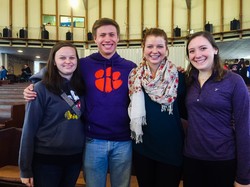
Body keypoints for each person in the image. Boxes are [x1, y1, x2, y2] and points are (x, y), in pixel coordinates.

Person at [23, 18, 137, 187]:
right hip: (93, 140)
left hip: (123, 140)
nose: (107, 39)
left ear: (118, 38)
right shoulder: (84, 64)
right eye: (102, 35)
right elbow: (57, 66)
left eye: (112, 34)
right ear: (95, 39)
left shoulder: (130, 67)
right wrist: (33, 82)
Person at [183, 31, 250, 187]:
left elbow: (244, 128)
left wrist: (244, 176)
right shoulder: (187, 81)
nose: (197, 54)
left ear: (215, 49)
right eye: (192, 51)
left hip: (223, 160)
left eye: (203, 48)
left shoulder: (234, 81)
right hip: (192, 159)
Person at [19, 42, 85, 187]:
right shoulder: (40, 89)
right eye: (62, 58)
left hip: (74, 159)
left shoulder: (81, 86)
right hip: (46, 160)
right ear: (54, 62)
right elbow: (29, 129)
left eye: (72, 58)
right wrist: (25, 168)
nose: (68, 61)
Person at [128, 28, 187, 187]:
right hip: (143, 147)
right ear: (143, 49)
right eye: (150, 46)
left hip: (171, 148)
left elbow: (186, 112)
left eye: (160, 46)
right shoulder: (134, 77)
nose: (155, 51)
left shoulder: (179, 77)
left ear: (167, 49)